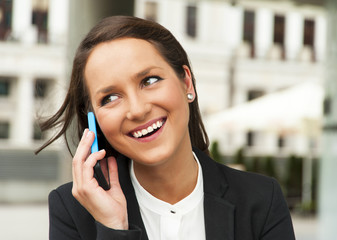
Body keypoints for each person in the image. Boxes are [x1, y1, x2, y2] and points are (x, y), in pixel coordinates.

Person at [37, 16, 295, 240]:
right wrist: (113, 229)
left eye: (149, 80)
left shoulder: (262, 199)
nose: (137, 110)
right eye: (110, 98)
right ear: (94, 120)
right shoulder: (72, 210)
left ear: (187, 83)